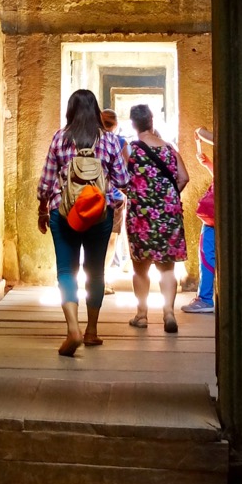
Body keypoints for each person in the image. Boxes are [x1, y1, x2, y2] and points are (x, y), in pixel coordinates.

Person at [37, 89, 130, 355]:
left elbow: (46, 183)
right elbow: (123, 181)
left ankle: (72, 329)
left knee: (66, 271)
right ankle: (91, 331)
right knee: (96, 272)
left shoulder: (60, 138)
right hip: (99, 213)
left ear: (71, 110)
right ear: (96, 111)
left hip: (64, 212)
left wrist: (43, 210)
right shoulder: (110, 140)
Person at [124, 103, 189, 334]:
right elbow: (183, 177)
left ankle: (142, 315)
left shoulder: (130, 149)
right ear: (152, 122)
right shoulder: (169, 149)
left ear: (133, 124)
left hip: (140, 215)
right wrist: (167, 197)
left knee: (140, 268)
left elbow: (120, 179)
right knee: (167, 268)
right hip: (168, 214)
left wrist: (136, 194)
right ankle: (169, 313)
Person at [183, 126, 216, 314]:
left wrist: (200, 131)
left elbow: (208, 135)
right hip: (214, 218)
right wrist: (209, 165)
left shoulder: (234, 138)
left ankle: (205, 298)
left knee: (207, 255)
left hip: (214, 217)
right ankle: (204, 297)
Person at [100, 109, 129, 292]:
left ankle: (94, 277)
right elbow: (127, 171)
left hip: (92, 196)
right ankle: (102, 278)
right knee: (111, 239)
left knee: (93, 239)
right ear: (116, 125)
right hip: (115, 198)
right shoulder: (121, 143)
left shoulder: (90, 140)